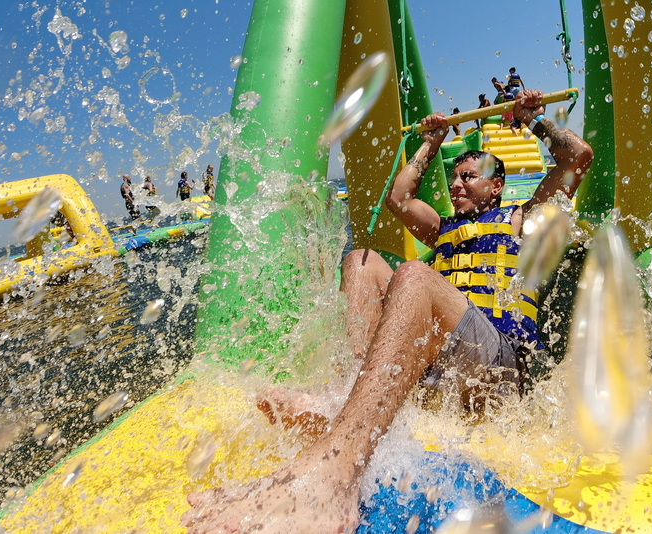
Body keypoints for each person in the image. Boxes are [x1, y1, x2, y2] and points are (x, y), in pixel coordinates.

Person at [181, 90, 593, 533]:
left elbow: (576, 158)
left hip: (497, 375)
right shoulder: (442, 230)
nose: (456, 185)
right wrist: (430, 143)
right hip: (442, 374)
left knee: (414, 276)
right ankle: (350, 404)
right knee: (362, 261)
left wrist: (535, 121)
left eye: (469, 177)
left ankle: (336, 474)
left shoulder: (522, 218)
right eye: (454, 179)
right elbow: (399, 197)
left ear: (496, 185)